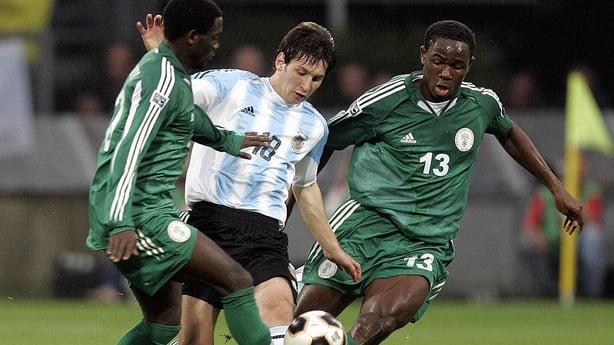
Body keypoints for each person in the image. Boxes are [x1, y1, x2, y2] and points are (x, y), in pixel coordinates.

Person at [294, 20, 583, 345]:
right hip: (363, 227)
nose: (446, 72)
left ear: (468, 66)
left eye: (457, 66)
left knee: (381, 317)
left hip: (424, 241)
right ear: (423, 57)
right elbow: (327, 138)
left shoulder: (480, 104)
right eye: (438, 62)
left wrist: (556, 187)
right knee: (300, 320)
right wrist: (289, 197)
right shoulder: (387, 100)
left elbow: (509, 133)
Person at [138, 16, 361, 345]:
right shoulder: (232, 86)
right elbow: (177, 93)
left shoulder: (315, 125)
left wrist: (332, 248)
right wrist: (160, 55)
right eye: (301, 72)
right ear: (280, 60)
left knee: (280, 319)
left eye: (317, 78)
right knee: (195, 338)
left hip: (264, 235)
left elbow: (305, 185)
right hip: (208, 226)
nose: (306, 85)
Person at [87, 1, 273, 344]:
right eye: (213, 37)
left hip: (143, 210)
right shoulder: (162, 77)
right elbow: (128, 150)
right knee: (236, 279)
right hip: (138, 215)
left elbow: (185, 116)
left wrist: (228, 140)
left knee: (165, 321)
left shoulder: (170, 73)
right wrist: (121, 222)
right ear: (191, 37)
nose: (217, 45)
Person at [519, 157, 606, 298]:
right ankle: (547, 292)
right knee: (526, 242)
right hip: (553, 240)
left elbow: (596, 219)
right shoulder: (545, 193)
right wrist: (537, 235)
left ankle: (591, 294)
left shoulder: (592, 191)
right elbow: (528, 225)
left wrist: (576, 208)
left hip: (579, 240)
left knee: (593, 238)